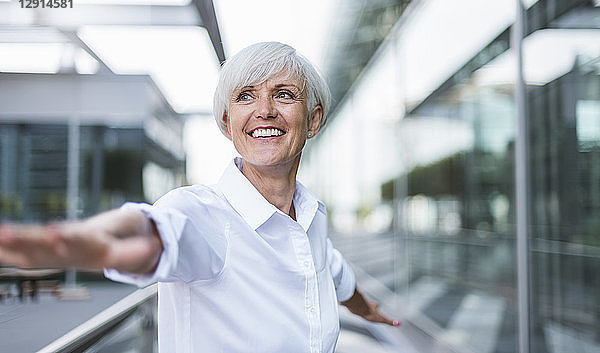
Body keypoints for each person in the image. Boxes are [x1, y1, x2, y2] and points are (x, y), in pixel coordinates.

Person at [0, 42, 400, 352]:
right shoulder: (201, 214)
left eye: (283, 94)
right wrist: (64, 243)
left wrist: (367, 309)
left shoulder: (311, 216)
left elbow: (332, 268)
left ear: (313, 119)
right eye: (245, 96)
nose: (264, 110)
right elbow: (147, 236)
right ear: (228, 123)